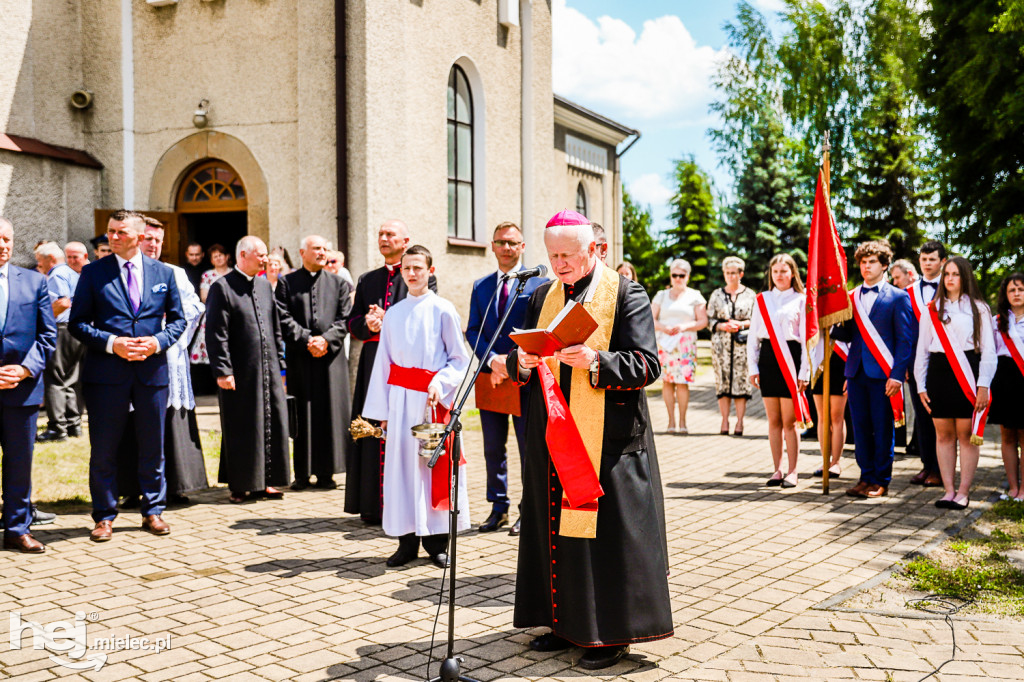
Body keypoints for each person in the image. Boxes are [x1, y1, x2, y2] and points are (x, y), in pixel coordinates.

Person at [506, 209, 672, 671]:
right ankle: (562, 625)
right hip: (552, 433)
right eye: (553, 255)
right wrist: (521, 362)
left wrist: (597, 361)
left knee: (601, 536)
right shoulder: (542, 293)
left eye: (567, 255)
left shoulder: (625, 294)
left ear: (594, 250)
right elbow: (530, 360)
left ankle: (608, 636)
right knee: (555, 529)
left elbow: (647, 366)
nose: (559, 264)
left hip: (608, 442)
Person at [69, 210, 186, 542]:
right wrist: (112, 343)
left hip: (151, 372)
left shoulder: (163, 272)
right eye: (110, 232)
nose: (112, 237)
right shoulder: (93, 273)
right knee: (104, 448)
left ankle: (153, 511)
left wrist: (157, 342)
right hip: (106, 374)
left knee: (153, 445)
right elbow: (77, 323)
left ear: (140, 235)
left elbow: (178, 321)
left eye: (120, 232)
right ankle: (104, 516)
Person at [362, 245, 469, 567]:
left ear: (430, 271)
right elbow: (383, 364)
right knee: (401, 473)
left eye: (418, 268)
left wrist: (440, 382)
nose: (412, 273)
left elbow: (459, 358)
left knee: (430, 468)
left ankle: (437, 543)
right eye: (407, 268)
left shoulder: (443, 309)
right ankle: (406, 542)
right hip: (398, 404)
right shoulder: (393, 313)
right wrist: (380, 415)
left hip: (431, 404)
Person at [345, 219, 437, 525]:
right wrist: (367, 324)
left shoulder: (420, 277)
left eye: (390, 234)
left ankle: (408, 507)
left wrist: (390, 320)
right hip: (374, 363)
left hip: (405, 370)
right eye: (380, 234)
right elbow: (352, 322)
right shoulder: (367, 278)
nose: (383, 238)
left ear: (405, 239)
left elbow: (424, 318)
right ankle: (371, 504)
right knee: (371, 430)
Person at [116, 219, 208, 506]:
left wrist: (166, 332)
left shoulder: (175, 273)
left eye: (158, 240)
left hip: (168, 356)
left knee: (169, 418)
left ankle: (176, 485)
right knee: (134, 421)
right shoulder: (120, 273)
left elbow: (194, 309)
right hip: (131, 356)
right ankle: (133, 488)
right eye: (148, 239)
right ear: (137, 239)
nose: (153, 245)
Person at [465, 222, 547, 535]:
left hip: (525, 379)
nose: (507, 248)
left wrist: (510, 363)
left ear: (523, 246)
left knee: (528, 448)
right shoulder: (481, 286)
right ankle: (498, 507)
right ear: (492, 246)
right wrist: (492, 361)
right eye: (501, 242)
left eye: (513, 243)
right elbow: (473, 330)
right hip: (490, 377)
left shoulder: (540, 285)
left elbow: (541, 331)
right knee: (492, 447)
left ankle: (529, 510)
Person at [205, 236, 291, 503]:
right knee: (242, 425)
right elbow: (215, 332)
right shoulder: (222, 287)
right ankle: (241, 485)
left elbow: (275, 328)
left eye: (265, 255)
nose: (266, 259)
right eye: (261, 255)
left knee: (271, 423)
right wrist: (223, 370)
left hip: (269, 369)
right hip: (240, 371)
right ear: (243, 255)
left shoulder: (265, 285)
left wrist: (281, 366)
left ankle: (267, 481)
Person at [833, 241, 914, 499]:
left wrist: (897, 375)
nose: (866, 267)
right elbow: (846, 335)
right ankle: (864, 476)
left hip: (883, 375)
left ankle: (881, 479)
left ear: (884, 265)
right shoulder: (852, 296)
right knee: (859, 428)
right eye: (863, 262)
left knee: (882, 428)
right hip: (856, 372)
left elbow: (904, 341)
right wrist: (832, 315)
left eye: (872, 262)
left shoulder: (898, 296)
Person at [915, 256, 995, 510]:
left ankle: (963, 491)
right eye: (946, 274)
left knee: (966, 435)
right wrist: (920, 384)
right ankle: (948, 490)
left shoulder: (979, 308)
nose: (950, 279)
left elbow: (989, 352)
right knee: (944, 435)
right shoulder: (932, 308)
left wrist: (983, 385)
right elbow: (922, 350)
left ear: (965, 277)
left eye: (955, 274)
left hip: (968, 373)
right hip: (939, 374)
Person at [275, 235, 353, 491]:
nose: (322, 252)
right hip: (301, 358)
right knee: (302, 415)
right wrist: (308, 340)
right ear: (302, 252)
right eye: (316, 248)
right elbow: (283, 317)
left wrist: (325, 340)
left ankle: (327, 473)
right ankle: (301, 474)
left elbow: (344, 320)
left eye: (325, 248)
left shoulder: (340, 284)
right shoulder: (287, 283)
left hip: (330, 359)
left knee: (329, 414)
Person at [0, 218, 57, 553]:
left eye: (7, 238)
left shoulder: (34, 281)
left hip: (22, 389)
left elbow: (48, 337)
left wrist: (24, 369)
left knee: (20, 462)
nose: (2, 245)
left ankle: (17, 528)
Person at [748, 254, 811, 489]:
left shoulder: (801, 300)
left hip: (791, 360)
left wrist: (804, 371)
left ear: (792, 273)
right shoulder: (762, 299)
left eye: (784, 271)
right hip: (768, 360)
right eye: (775, 271)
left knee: (789, 422)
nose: (779, 275)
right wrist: (753, 367)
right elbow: (753, 336)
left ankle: (793, 471)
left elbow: (806, 340)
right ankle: (777, 469)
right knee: (773, 420)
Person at [34, 242, 84, 443]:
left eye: (40, 261)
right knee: (70, 379)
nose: (39, 266)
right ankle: (74, 424)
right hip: (76, 330)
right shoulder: (73, 273)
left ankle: (57, 428)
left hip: (61, 330)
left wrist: (42, 319)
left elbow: (63, 302)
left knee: (54, 379)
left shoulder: (56, 274)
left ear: (50, 259)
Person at [651, 259, 707, 434]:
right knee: (667, 382)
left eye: (681, 275)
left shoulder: (695, 296)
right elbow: (650, 318)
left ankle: (683, 422)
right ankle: (670, 422)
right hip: (666, 344)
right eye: (674, 275)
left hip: (685, 345)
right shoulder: (661, 295)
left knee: (682, 384)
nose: (677, 278)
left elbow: (703, 321)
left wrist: (684, 326)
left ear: (687, 277)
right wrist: (663, 328)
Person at [906, 241, 946, 487]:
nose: (927, 263)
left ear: (942, 261)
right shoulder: (908, 292)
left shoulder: (951, 287)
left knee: (940, 415)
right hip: (915, 362)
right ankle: (926, 464)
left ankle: (941, 469)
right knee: (921, 415)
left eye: (932, 259)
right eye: (923, 259)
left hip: (944, 361)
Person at [707, 256, 756, 436]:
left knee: (741, 384)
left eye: (733, 273)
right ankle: (725, 420)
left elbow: (757, 321)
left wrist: (741, 324)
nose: (730, 276)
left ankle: (740, 422)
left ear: (740, 274)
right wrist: (722, 325)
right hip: (721, 347)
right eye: (727, 273)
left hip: (743, 346)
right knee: (723, 384)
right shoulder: (717, 295)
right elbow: (709, 319)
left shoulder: (750, 295)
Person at [992, 273, 1024, 501]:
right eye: (1012, 290)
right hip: (1004, 379)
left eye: (1021, 289)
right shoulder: (997, 322)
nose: (1016, 294)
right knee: (1007, 436)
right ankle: (1013, 487)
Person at [190, 243, 231, 395]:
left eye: (220, 255)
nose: (218, 258)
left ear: (227, 257)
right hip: (212, 315)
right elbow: (204, 297)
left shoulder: (234, 273)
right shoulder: (208, 275)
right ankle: (206, 388)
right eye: (215, 257)